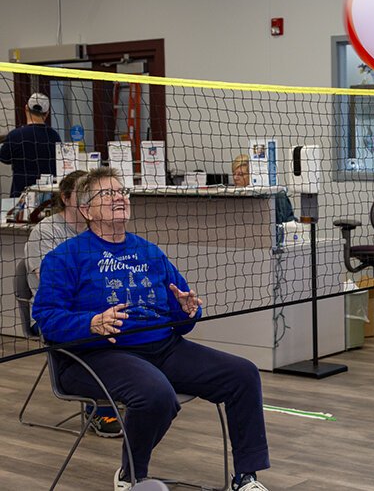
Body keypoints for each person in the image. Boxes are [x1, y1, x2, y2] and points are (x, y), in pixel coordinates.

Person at [33, 167, 270, 491]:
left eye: (122, 192)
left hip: (162, 348)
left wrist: (188, 311)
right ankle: (131, 477)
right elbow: (45, 318)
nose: (119, 197)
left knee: (242, 373)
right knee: (156, 394)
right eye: (107, 193)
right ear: (86, 210)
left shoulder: (149, 252)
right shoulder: (64, 257)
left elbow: (183, 315)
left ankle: (246, 478)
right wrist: (89, 323)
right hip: (99, 353)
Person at [24, 169, 124, 438]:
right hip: (53, 313)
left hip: (96, 308)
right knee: (100, 336)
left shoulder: (99, 231)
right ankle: (103, 409)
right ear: (67, 198)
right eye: (85, 192)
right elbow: (48, 281)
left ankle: (130, 392)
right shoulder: (45, 231)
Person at [0, 93, 61, 197]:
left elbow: (4, 158)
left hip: (20, 195)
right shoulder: (54, 136)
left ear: (26, 108)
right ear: (47, 113)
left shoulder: (16, 135)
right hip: (48, 196)